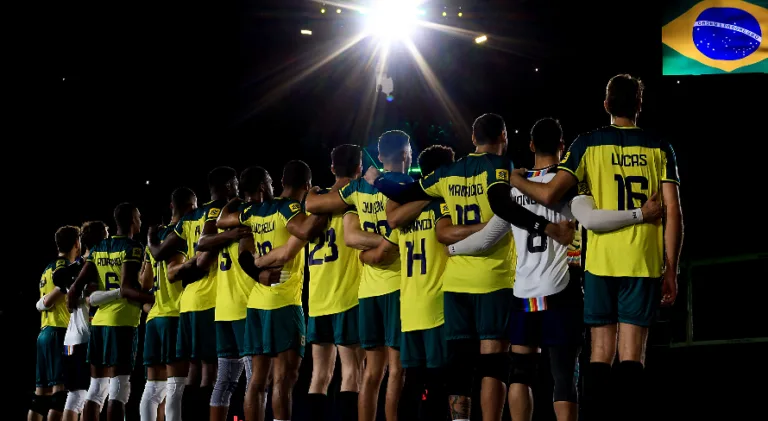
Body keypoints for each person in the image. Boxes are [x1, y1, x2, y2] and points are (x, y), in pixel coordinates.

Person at [447, 118, 662, 421]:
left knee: (520, 372)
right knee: (563, 376)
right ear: (562, 146)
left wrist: (452, 248)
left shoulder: (513, 188)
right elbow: (592, 219)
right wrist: (641, 213)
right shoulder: (568, 184)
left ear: (531, 146)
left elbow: (485, 239)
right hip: (561, 288)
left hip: (523, 292)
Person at [367, 115, 574, 421]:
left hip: (454, 283)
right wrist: (543, 226)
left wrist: (377, 180)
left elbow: (402, 194)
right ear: (503, 136)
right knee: (495, 363)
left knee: (460, 364)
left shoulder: (447, 173)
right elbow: (502, 208)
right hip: (493, 278)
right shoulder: (501, 167)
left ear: (473, 138)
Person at [507, 75, 683, 421]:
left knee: (600, 353)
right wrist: (671, 267)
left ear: (606, 105)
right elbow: (674, 211)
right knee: (633, 355)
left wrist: (512, 176)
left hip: (599, 262)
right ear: (640, 105)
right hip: (643, 262)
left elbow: (547, 194)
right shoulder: (660, 146)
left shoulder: (587, 144)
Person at [361, 145, 480, 421]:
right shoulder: (443, 205)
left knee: (412, 383)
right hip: (438, 308)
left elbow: (381, 251)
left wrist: (363, 257)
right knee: (438, 384)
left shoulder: (402, 211)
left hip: (409, 309)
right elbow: (448, 234)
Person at [305, 130, 415, 421]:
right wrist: (386, 244)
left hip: (366, 290)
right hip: (396, 286)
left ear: (379, 157)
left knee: (370, 373)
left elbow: (320, 211)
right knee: (396, 372)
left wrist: (312, 192)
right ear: (406, 155)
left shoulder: (357, 190)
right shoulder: (410, 187)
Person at [222, 161, 326, 421]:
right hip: (284, 300)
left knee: (257, 381)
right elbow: (304, 229)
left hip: (257, 302)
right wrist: (325, 206)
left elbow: (224, 222)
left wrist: (234, 199)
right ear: (307, 185)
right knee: (283, 379)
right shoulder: (287, 207)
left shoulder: (250, 212)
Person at [148, 166, 241, 420]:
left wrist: (150, 239)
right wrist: (196, 264)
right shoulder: (223, 210)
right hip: (211, 299)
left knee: (193, 373)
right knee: (211, 375)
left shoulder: (189, 218)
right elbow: (202, 261)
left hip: (188, 302)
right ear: (229, 185)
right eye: (235, 184)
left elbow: (159, 254)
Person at [196, 167, 278, 421]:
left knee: (225, 381)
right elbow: (243, 257)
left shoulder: (222, 217)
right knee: (257, 380)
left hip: (224, 308)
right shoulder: (247, 215)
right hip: (245, 305)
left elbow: (203, 242)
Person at [67, 203, 155, 421]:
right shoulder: (133, 247)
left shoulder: (98, 248)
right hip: (122, 323)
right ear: (133, 220)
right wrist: (153, 298)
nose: (141, 221)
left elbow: (76, 288)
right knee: (119, 387)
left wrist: (73, 306)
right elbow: (126, 288)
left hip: (99, 323)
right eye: (139, 216)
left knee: (96, 388)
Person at [304, 145, 368, 421]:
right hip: (347, 296)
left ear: (331, 168)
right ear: (359, 168)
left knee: (319, 376)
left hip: (318, 299)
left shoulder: (316, 206)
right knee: (352, 374)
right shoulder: (354, 200)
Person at [139, 188, 199, 421]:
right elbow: (175, 272)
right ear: (186, 206)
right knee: (176, 386)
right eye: (193, 205)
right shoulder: (180, 234)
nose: (195, 210)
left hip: (154, 317)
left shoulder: (154, 239)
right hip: (174, 315)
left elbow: (144, 282)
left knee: (153, 389)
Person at [50, 221, 110, 421]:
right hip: (87, 337)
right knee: (97, 390)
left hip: (70, 341)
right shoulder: (96, 266)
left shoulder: (73, 269)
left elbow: (58, 277)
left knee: (75, 395)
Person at [30, 226, 81, 421]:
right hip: (60, 332)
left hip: (44, 333)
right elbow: (61, 286)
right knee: (61, 395)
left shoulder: (47, 268)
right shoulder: (62, 268)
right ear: (77, 243)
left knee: (40, 397)